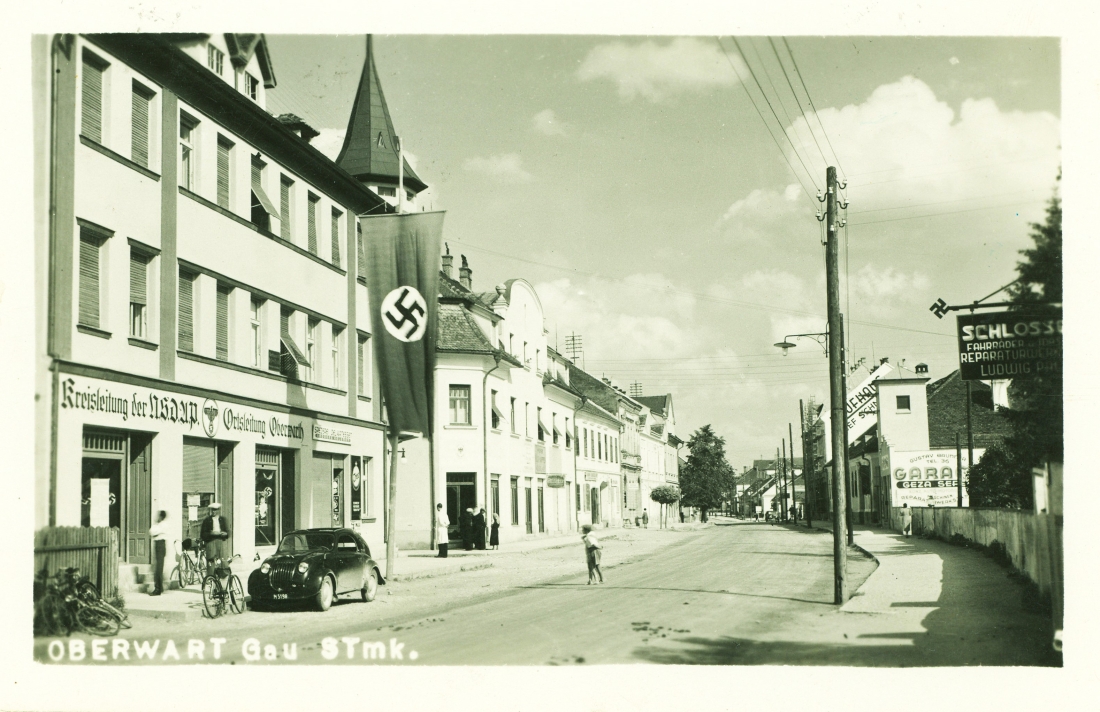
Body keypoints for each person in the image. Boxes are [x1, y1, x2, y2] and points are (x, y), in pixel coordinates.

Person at [199, 502, 230, 577]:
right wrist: (211, 534)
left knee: (223, 560)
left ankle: (222, 577)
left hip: (221, 542)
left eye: (215, 510)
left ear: (219, 510)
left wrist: (226, 534)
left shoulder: (223, 519)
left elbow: (228, 531)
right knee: (211, 561)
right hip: (211, 542)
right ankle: (210, 578)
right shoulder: (207, 520)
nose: (214, 511)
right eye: (212, 510)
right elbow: (203, 534)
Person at [148, 510, 169, 596]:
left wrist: (155, 532)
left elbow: (153, 532)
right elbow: (151, 532)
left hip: (160, 544)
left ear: (161, 517)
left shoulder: (163, 525)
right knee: (158, 568)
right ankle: (160, 587)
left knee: (159, 569)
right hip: (158, 544)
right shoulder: (158, 525)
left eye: (159, 516)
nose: (157, 518)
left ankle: (158, 589)